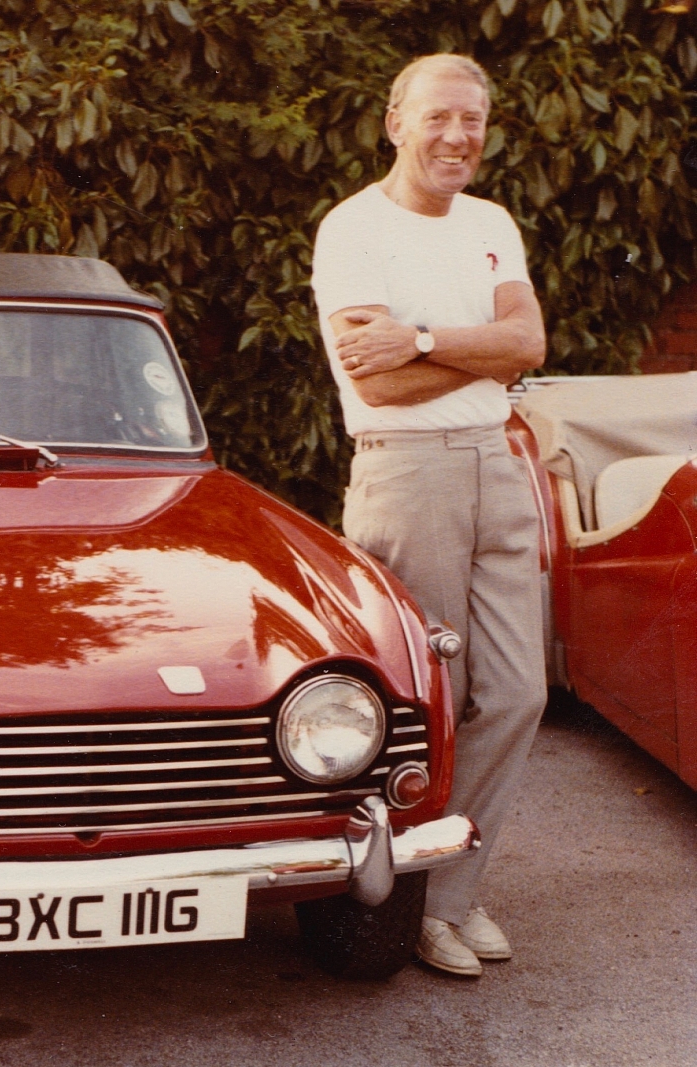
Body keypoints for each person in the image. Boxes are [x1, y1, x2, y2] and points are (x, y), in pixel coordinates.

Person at [311, 53, 547, 977]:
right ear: (395, 123)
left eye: (472, 120)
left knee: (518, 692)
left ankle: (447, 897)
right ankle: (403, 907)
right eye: (438, 117)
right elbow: (377, 384)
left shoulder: (491, 223)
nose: (457, 136)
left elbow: (528, 341)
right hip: (407, 473)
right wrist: (481, 354)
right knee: (425, 700)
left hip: (496, 461)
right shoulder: (353, 229)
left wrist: (417, 337)